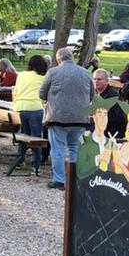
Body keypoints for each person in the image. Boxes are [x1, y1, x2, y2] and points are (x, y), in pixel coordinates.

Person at [39, 47, 95, 190]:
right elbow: (91, 95)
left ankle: (59, 180)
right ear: (72, 58)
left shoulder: (52, 72)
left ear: (58, 59)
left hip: (57, 117)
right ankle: (74, 179)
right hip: (80, 118)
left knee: (57, 149)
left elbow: (42, 93)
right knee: (75, 148)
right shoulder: (85, 72)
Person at [12, 55, 48, 172]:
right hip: (34, 107)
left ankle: (19, 160)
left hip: (19, 107)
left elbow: (16, 91)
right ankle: (35, 165)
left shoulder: (21, 75)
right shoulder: (42, 77)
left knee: (24, 135)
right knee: (36, 137)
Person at [92, 69, 127, 138]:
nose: (96, 81)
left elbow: (111, 117)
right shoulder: (99, 94)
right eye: (94, 79)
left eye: (99, 79)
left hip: (114, 132)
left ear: (107, 81)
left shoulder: (112, 96)